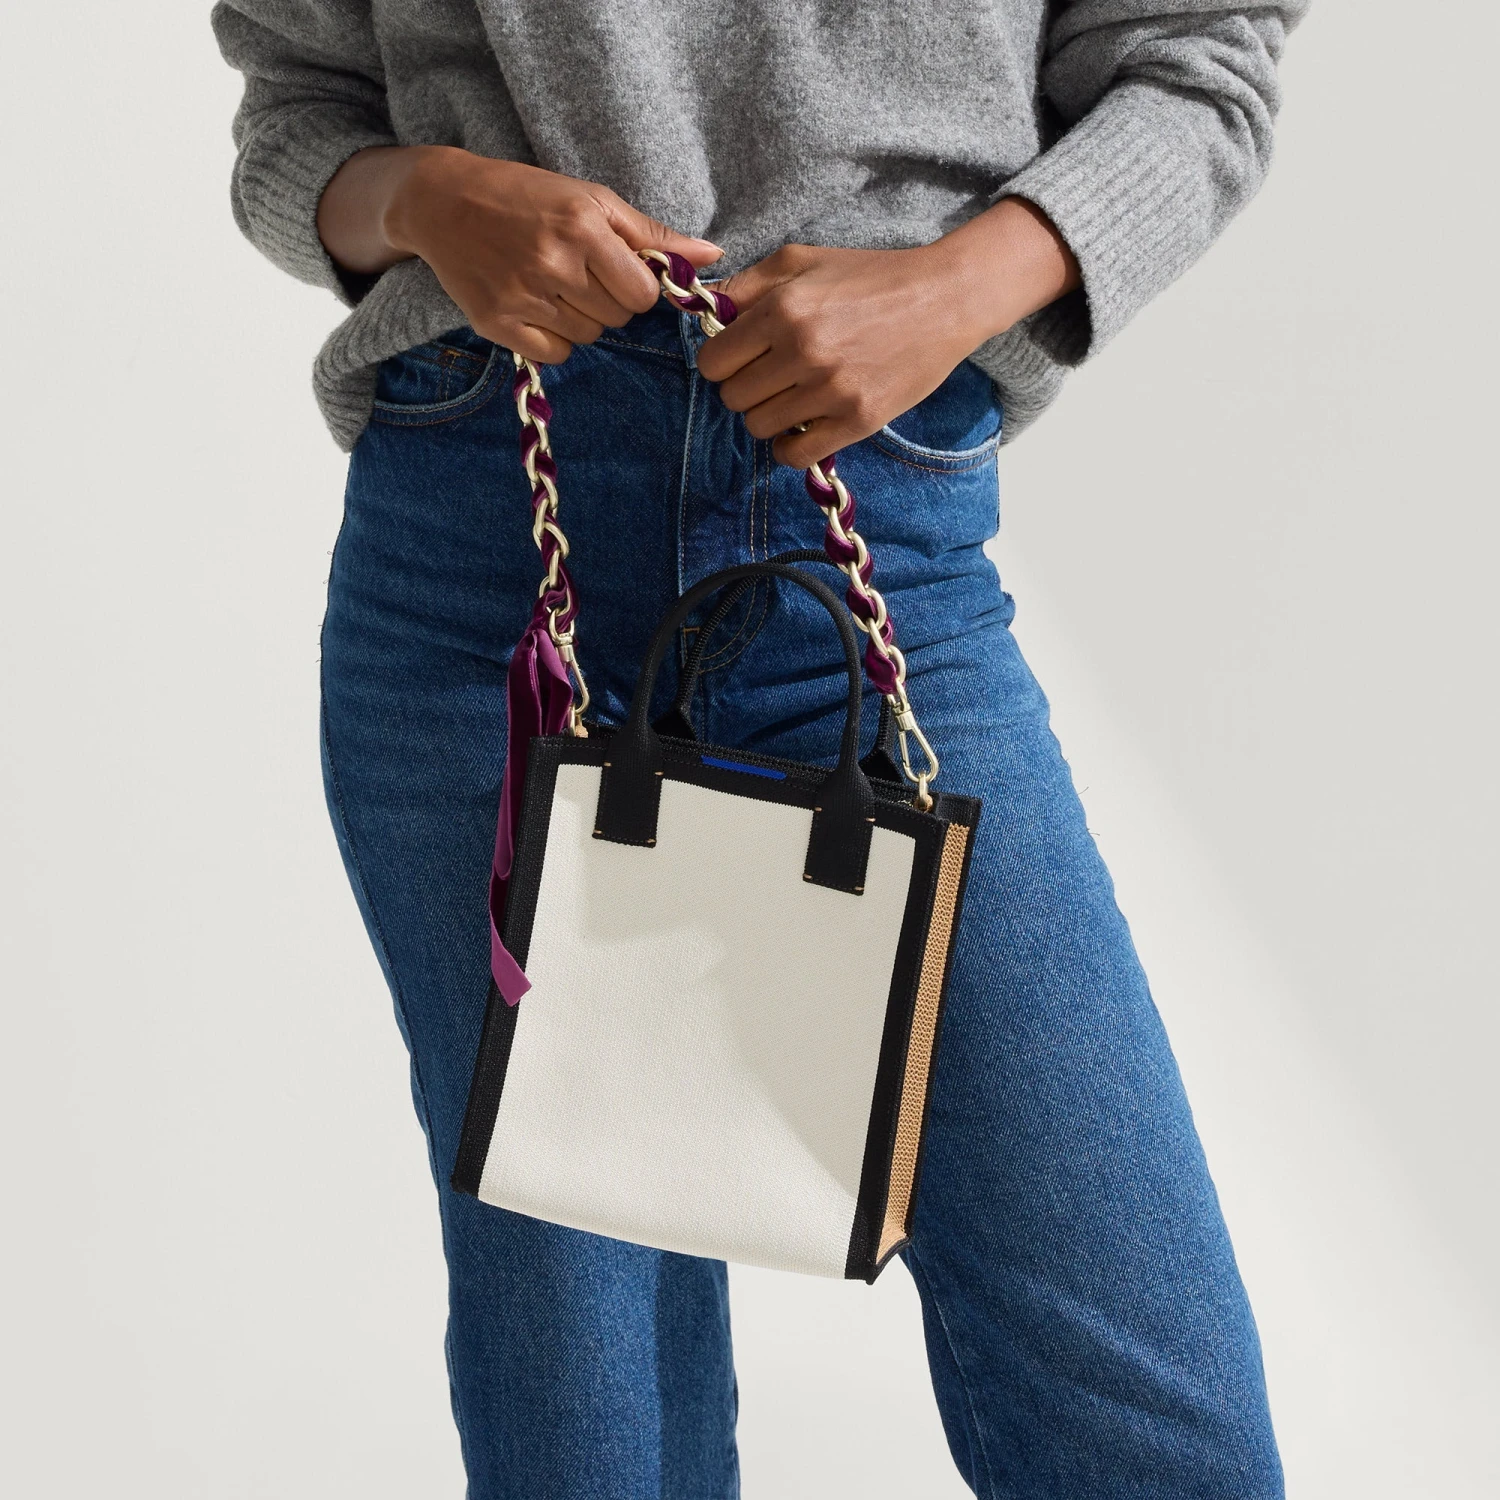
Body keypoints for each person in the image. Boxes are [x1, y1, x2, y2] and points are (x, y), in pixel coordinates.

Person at [213, 3, 1305, 1495]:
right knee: (592, 1431)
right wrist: (426, 199)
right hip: (489, 571)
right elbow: (300, 121)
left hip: (875, 550)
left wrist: (952, 290)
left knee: (1158, 1418)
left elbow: (1199, 69)